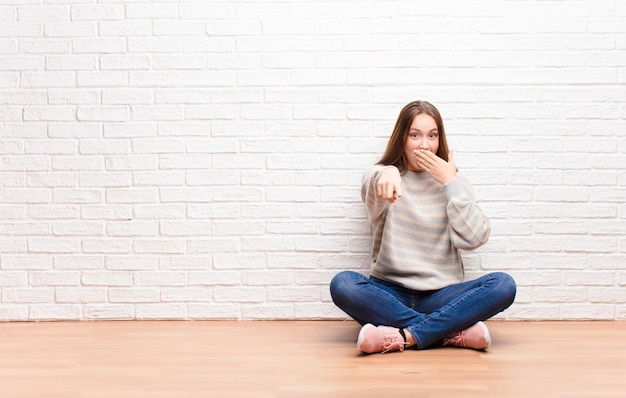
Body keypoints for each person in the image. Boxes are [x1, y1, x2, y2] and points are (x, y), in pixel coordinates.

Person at [330, 100, 516, 354]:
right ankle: (448, 332)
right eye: (414, 135)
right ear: (402, 138)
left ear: (440, 140)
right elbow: (373, 188)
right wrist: (387, 173)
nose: (424, 145)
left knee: (504, 284)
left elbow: (474, 239)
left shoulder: (455, 183)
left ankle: (403, 336)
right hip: (389, 292)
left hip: (442, 296)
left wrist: (451, 184)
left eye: (432, 135)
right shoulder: (384, 176)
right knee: (343, 284)